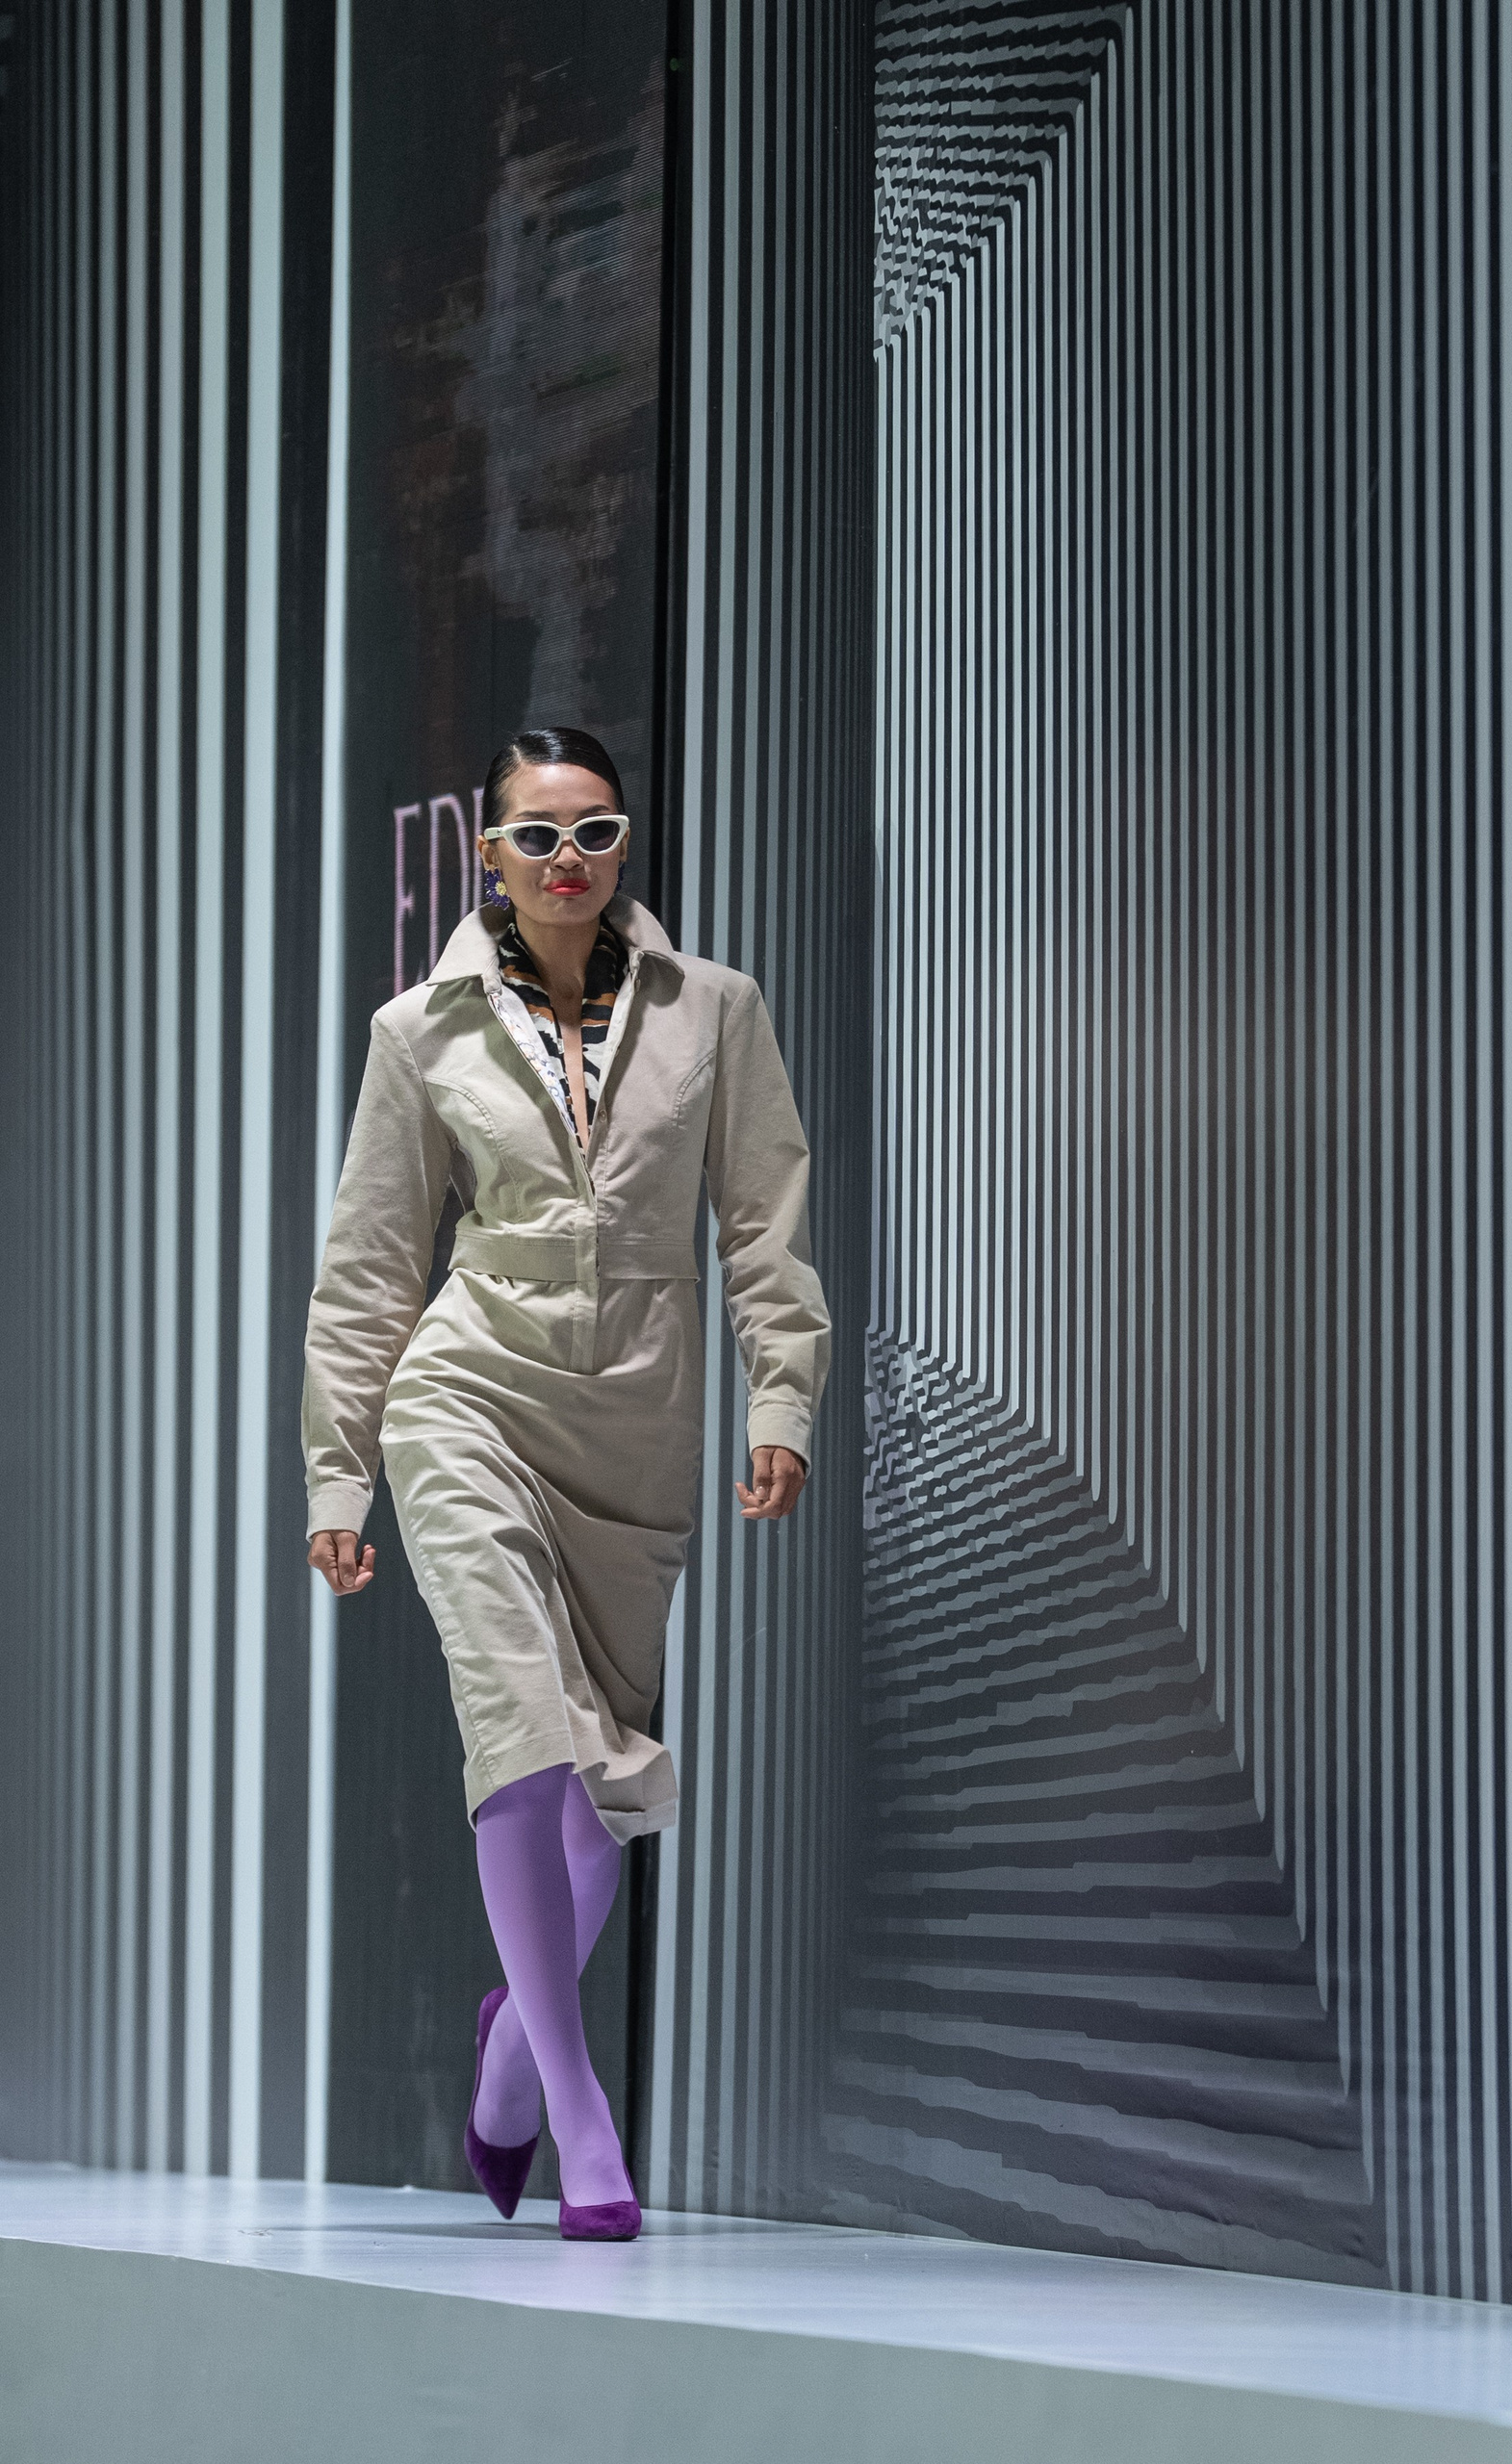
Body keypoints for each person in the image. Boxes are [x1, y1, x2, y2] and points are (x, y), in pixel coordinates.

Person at [300, 726, 830, 2241]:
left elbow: (765, 1227)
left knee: (606, 1790)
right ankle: (578, 2111)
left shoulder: (715, 1009)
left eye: (593, 830)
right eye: (536, 836)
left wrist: (780, 1394)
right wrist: (339, 1477)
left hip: (638, 1423)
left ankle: (514, 2052)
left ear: (623, 841)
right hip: (468, 1388)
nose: (567, 860)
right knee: (521, 1742)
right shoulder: (421, 1030)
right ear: (489, 853)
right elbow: (371, 1266)